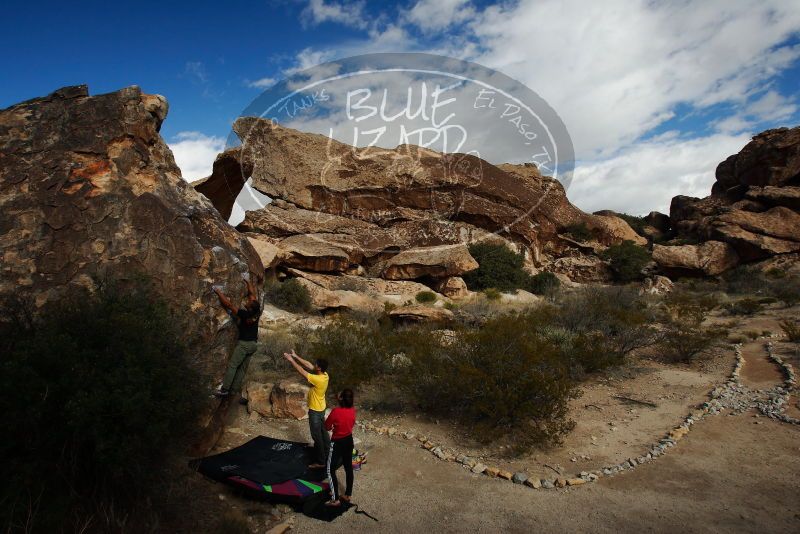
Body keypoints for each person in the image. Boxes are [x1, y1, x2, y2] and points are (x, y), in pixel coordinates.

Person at [213, 276, 262, 401]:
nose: (247, 301)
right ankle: (234, 391)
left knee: (233, 366)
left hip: (244, 344)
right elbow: (252, 293)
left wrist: (218, 291)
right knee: (242, 370)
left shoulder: (245, 314)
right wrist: (247, 281)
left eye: (249, 302)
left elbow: (229, 305)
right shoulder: (256, 311)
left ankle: (224, 390)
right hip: (253, 345)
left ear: (250, 308)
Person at [283, 349, 330, 468]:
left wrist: (291, 360)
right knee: (323, 433)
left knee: (316, 436)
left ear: (319, 368)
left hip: (315, 410)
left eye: (316, 365)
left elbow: (302, 371)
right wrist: (296, 356)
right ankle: (329, 454)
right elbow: (309, 365)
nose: (314, 365)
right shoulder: (324, 375)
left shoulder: (317, 379)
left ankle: (321, 462)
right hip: (321, 408)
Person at [324, 389, 356, 507]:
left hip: (337, 442)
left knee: (329, 469)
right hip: (349, 440)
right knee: (348, 468)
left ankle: (335, 498)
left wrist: (334, 427)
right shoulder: (352, 410)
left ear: (341, 398)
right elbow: (351, 423)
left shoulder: (335, 411)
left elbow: (327, 427)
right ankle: (347, 494)